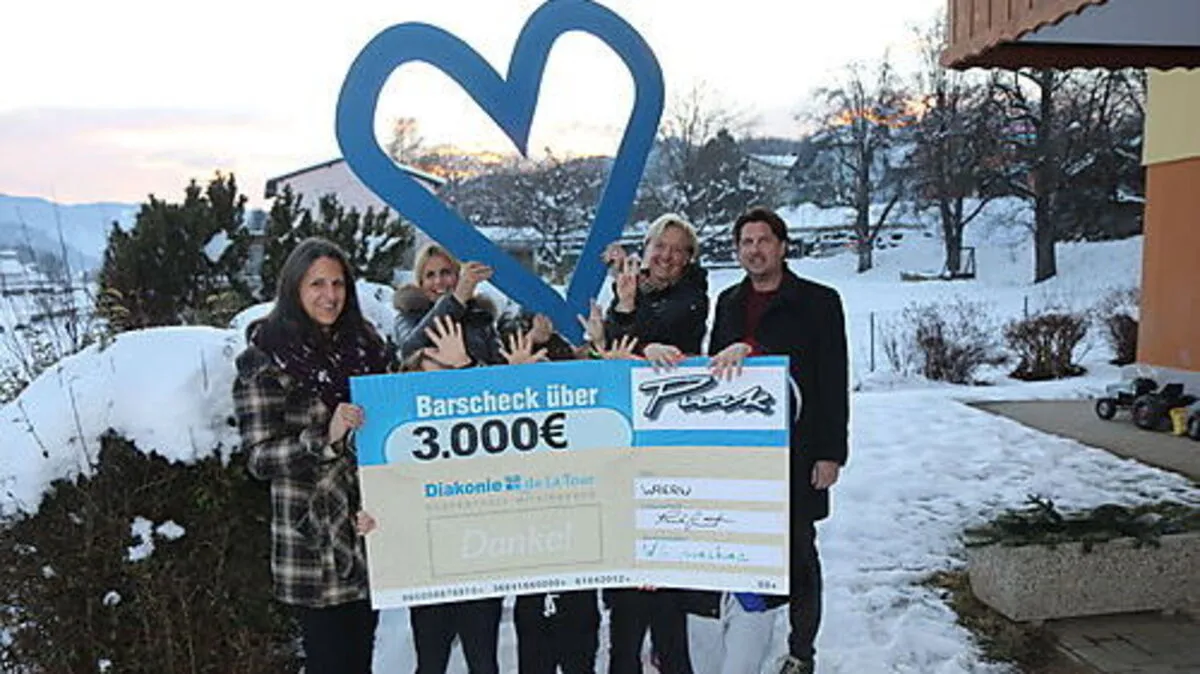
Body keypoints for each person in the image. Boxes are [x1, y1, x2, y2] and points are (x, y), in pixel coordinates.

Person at [232, 237, 393, 674]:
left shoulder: (368, 348)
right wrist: (326, 436)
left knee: (360, 659)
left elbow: (391, 435)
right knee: (328, 662)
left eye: (338, 283)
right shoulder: (264, 359)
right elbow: (260, 458)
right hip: (311, 539)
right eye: (316, 284)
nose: (330, 295)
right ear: (294, 290)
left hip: (366, 530)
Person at [707, 206, 850, 674]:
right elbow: (713, 375)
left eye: (763, 240)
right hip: (741, 456)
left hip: (799, 451)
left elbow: (833, 380)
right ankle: (748, 637)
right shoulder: (727, 302)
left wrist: (831, 453)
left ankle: (800, 650)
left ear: (783, 246)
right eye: (746, 242)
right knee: (747, 546)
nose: (755, 249)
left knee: (799, 553)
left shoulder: (819, 301)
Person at [602, 213, 709, 674]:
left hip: (672, 455)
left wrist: (635, 331)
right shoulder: (627, 292)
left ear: (688, 260)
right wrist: (623, 305)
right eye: (658, 246)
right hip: (626, 454)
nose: (666, 255)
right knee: (626, 607)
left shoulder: (694, 297)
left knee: (668, 607)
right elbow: (610, 349)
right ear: (645, 249)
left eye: (677, 249)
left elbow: (663, 329)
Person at [393, 243, 503, 366]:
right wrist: (455, 301)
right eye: (430, 275)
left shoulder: (479, 317)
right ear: (421, 283)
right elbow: (409, 350)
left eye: (445, 272)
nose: (438, 281)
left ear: (458, 276)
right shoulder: (408, 315)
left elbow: (497, 367)